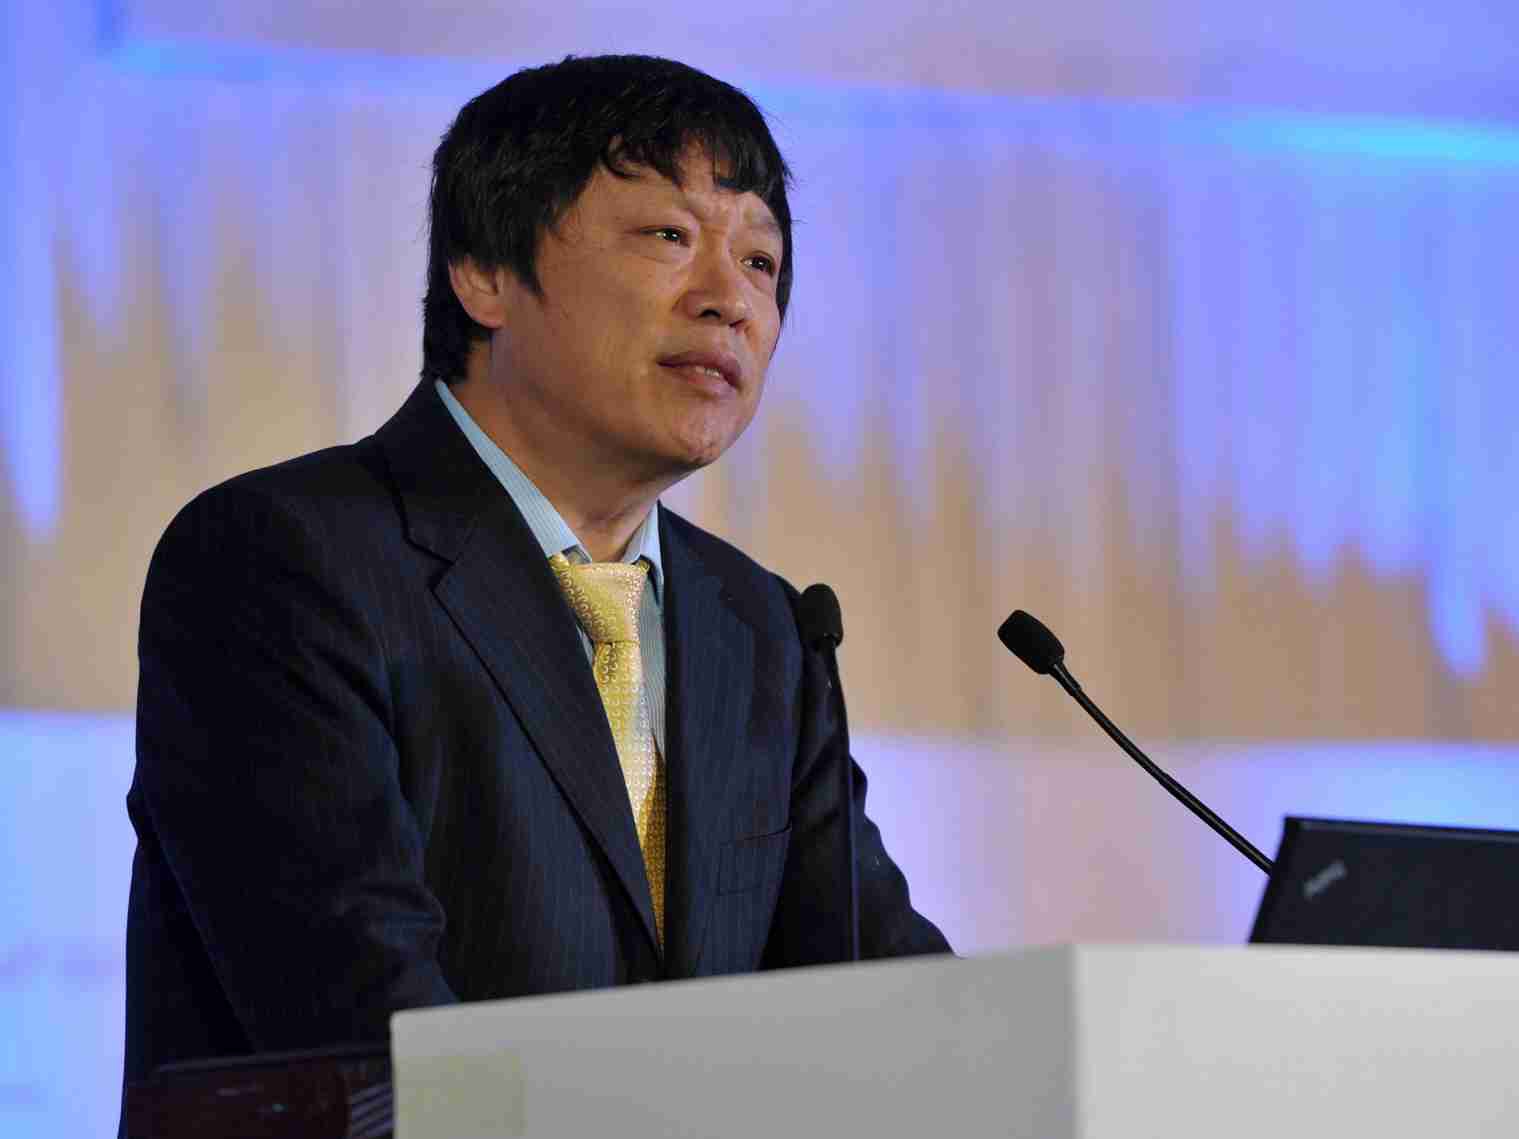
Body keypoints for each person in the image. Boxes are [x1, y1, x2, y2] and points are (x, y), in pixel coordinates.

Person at [123, 53, 949, 1093]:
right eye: (669, 237)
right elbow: (367, 1021)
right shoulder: (282, 559)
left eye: (760, 262)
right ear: (484, 272)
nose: (729, 301)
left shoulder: (763, 628)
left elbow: (883, 992)